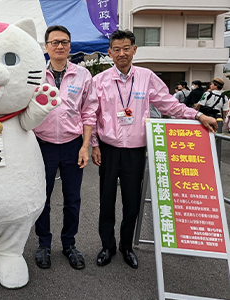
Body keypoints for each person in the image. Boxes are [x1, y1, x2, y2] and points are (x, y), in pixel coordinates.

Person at [91, 29, 216, 270]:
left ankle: (126, 247)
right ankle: (107, 246)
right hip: (108, 149)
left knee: (132, 199)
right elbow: (92, 115)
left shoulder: (147, 77)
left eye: (126, 48)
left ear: (134, 50)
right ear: (109, 53)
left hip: (136, 151)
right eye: (116, 49)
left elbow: (169, 104)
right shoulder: (100, 80)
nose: (121, 53)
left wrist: (197, 114)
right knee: (106, 200)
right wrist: (94, 144)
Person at [33, 25, 98, 270]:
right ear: (46, 47)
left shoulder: (82, 75)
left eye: (64, 42)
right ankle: (43, 244)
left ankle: (69, 243)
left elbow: (89, 112)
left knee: (73, 199)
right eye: (54, 42)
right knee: (43, 198)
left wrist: (86, 146)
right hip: (42, 145)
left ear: (70, 46)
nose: (60, 46)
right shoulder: (36, 74)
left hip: (73, 145)